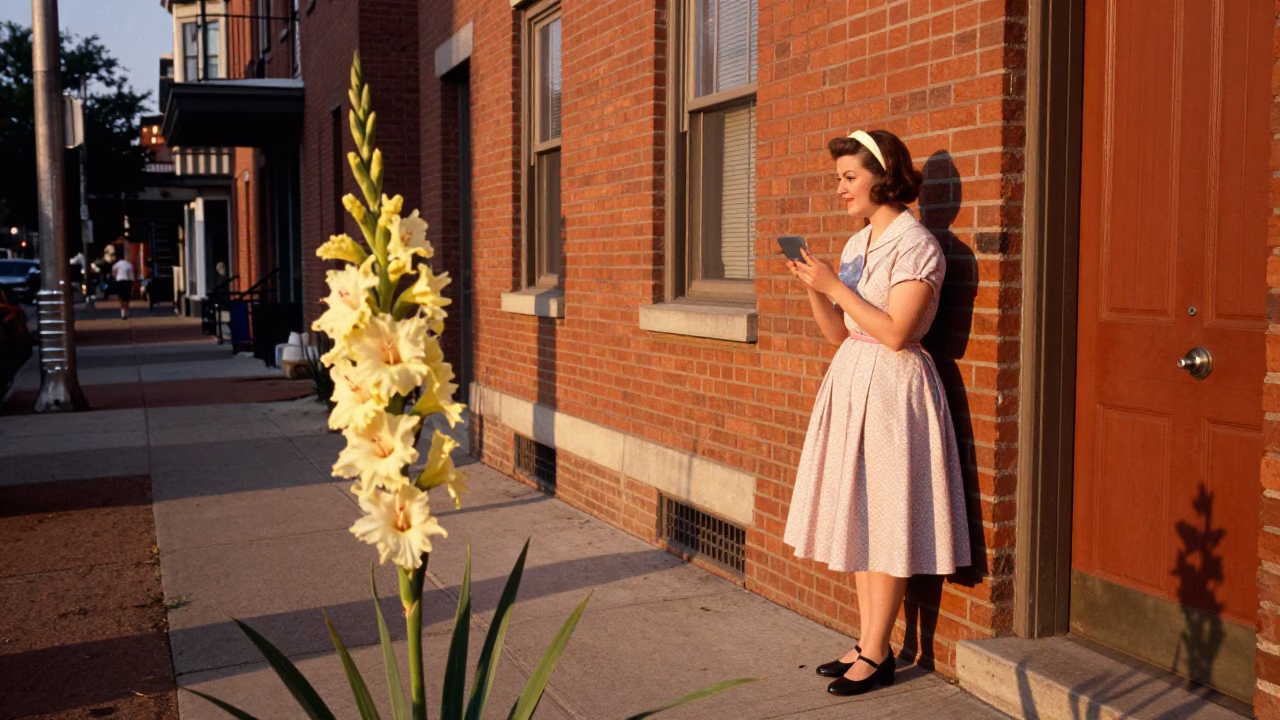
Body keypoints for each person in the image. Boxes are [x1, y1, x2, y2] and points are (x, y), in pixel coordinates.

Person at [782, 129, 970, 697]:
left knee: (886, 516)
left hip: (894, 390)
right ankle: (871, 643)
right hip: (853, 380)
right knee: (862, 511)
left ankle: (880, 654)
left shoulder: (918, 246)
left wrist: (835, 286)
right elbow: (839, 333)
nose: (840, 189)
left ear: (882, 177)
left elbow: (895, 332)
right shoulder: (856, 244)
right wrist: (816, 288)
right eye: (839, 176)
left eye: (848, 177)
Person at [111, 248, 136, 320]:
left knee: (121, 297)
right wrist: (133, 283)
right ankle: (126, 311)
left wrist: (115, 277)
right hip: (127, 281)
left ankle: (122, 312)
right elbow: (131, 275)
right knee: (126, 298)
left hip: (119, 281)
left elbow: (113, 271)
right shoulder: (129, 265)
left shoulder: (117, 264)